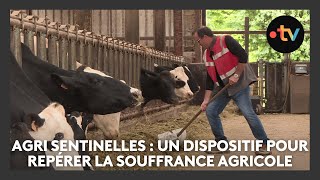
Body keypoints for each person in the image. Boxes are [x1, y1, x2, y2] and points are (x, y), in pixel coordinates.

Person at [193, 26, 271, 155]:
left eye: (198, 41)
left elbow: (243, 56)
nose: (198, 44)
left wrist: (236, 75)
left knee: (247, 112)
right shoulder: (206, 55)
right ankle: (221, 143)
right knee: (211, 111)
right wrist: (205, 101)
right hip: (223, 87)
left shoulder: (226, 40)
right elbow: (210, 79)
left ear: (205, 37)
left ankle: (264, 143)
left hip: (239, 84)